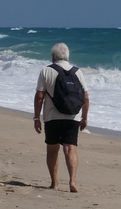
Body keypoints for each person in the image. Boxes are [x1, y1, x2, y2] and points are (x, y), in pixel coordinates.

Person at [33, 42, 89, 192]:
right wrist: (84, 118)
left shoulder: (46, 71)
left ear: (53, 56)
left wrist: (36, 118)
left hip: (52, 116)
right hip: (73, 116)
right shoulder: (78, 71)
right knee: (70, 148)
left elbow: (39, 96)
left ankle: (54, 183)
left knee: (52, 149)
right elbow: (85, 97)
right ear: (67, 56)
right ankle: (72, 181)